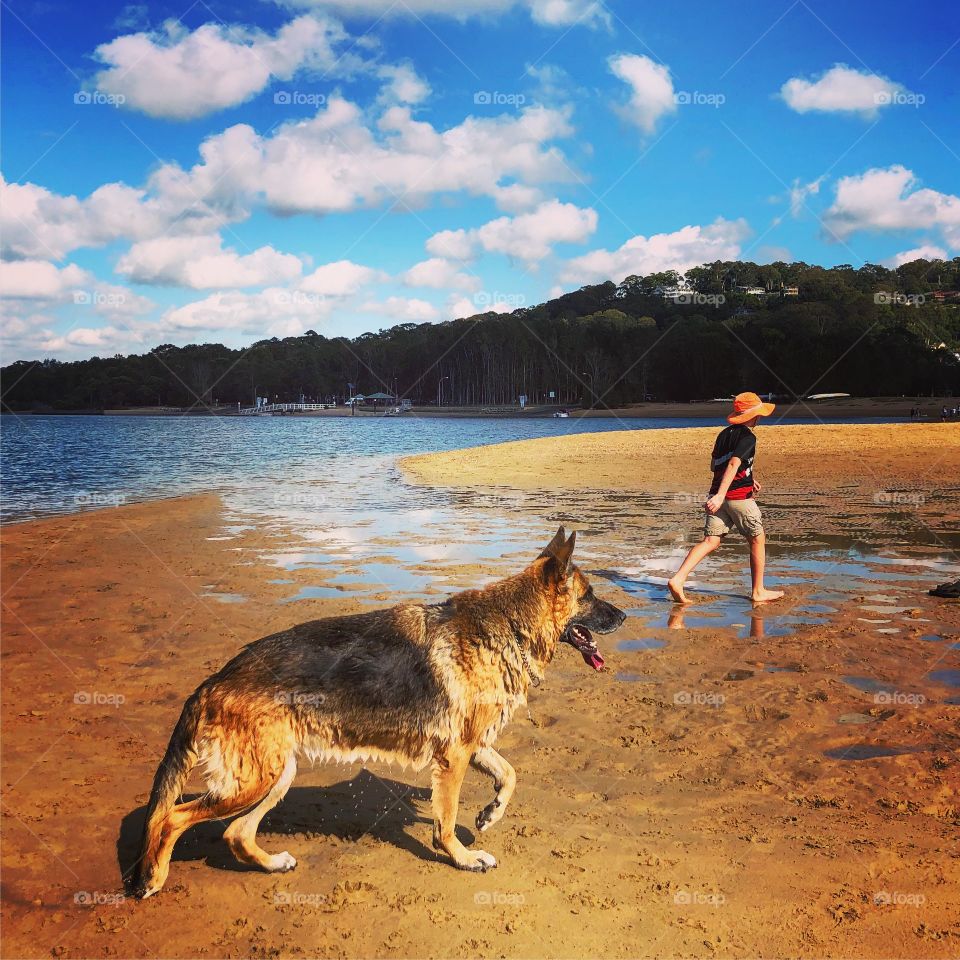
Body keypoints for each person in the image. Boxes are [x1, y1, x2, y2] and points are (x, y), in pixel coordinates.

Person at [668, 392, 785, 604]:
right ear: (753, 415)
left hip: (717, 495)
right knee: (757, 539)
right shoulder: (748, 437)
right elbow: (733, 464)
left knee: (710, 541)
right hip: (737, 498)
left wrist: (749, 479)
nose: (760, 418)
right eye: (759, 414)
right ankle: (758, 591)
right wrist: (723, 495)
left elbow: (716, 466)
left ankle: (678, 579)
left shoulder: (723, 435)